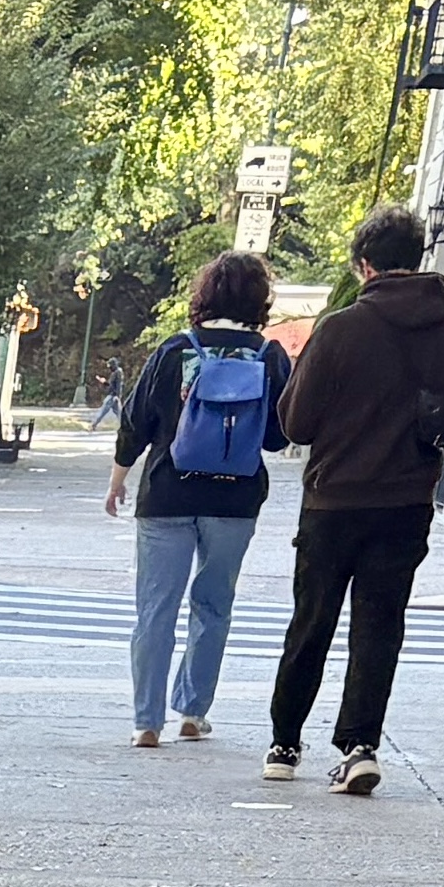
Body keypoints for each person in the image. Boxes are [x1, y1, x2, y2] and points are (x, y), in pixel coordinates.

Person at [264, 205, 444, 795]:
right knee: (380, 625)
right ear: (415, 261)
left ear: (365, 266)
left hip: (334, 499)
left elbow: (296, 424)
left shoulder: (339, 328)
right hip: (406, 500)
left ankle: (285, 742)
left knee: (312, 620)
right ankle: (360, 744)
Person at [104, 251, 292, 746]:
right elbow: (277, 437)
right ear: (260, 300)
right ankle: (192, 710)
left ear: (203, 296)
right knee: (214, 605)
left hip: (167, 494)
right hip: (235, 500)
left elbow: (136, 423)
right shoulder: (271, 357)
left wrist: (117, 480)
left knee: (155, 609)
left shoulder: (175, 350)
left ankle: (147, 721)